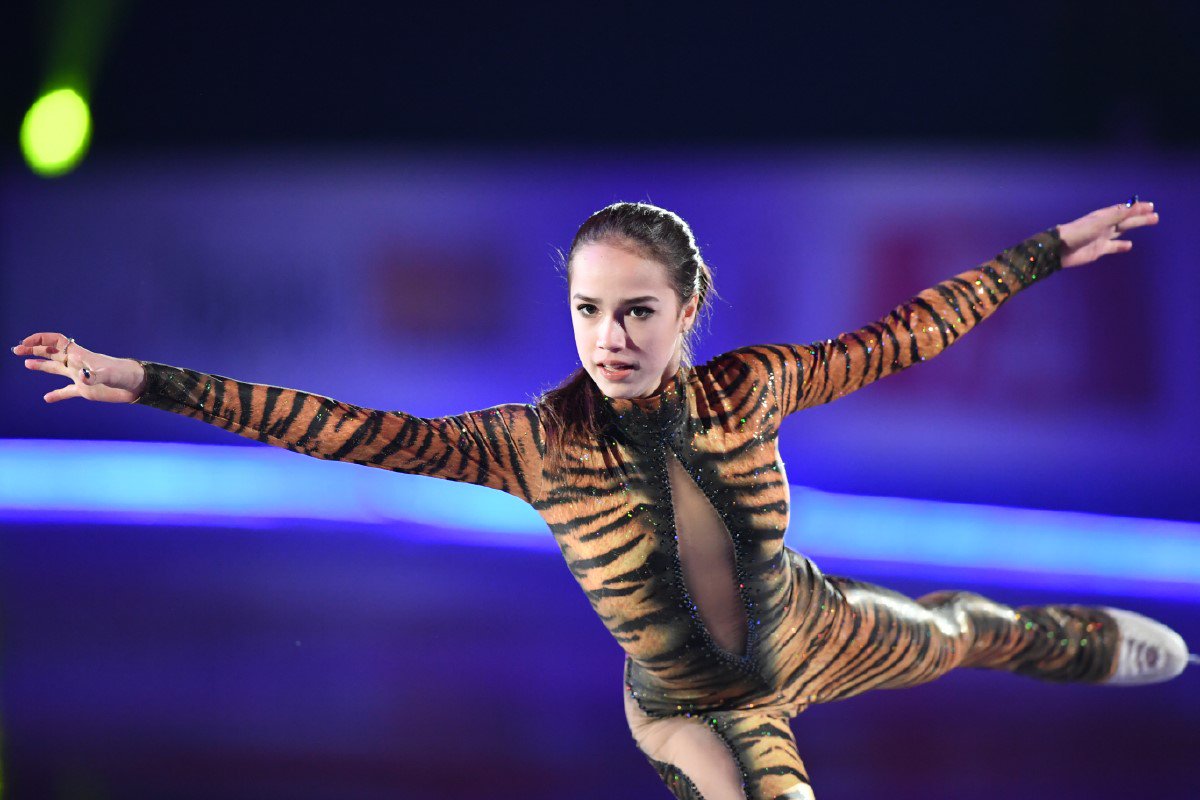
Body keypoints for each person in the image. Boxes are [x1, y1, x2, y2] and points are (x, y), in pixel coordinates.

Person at [12, 198, 1193, 800]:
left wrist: (1046, 251)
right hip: (687, 701)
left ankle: (1085, 642)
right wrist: (142, 378)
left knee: (969, 630)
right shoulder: (533, 443)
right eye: (588, 310)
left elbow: (909, 332)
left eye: (636, 311)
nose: (610, 336)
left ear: (687, 309)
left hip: (816, 627)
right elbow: (338, 425)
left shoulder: (754, 384)